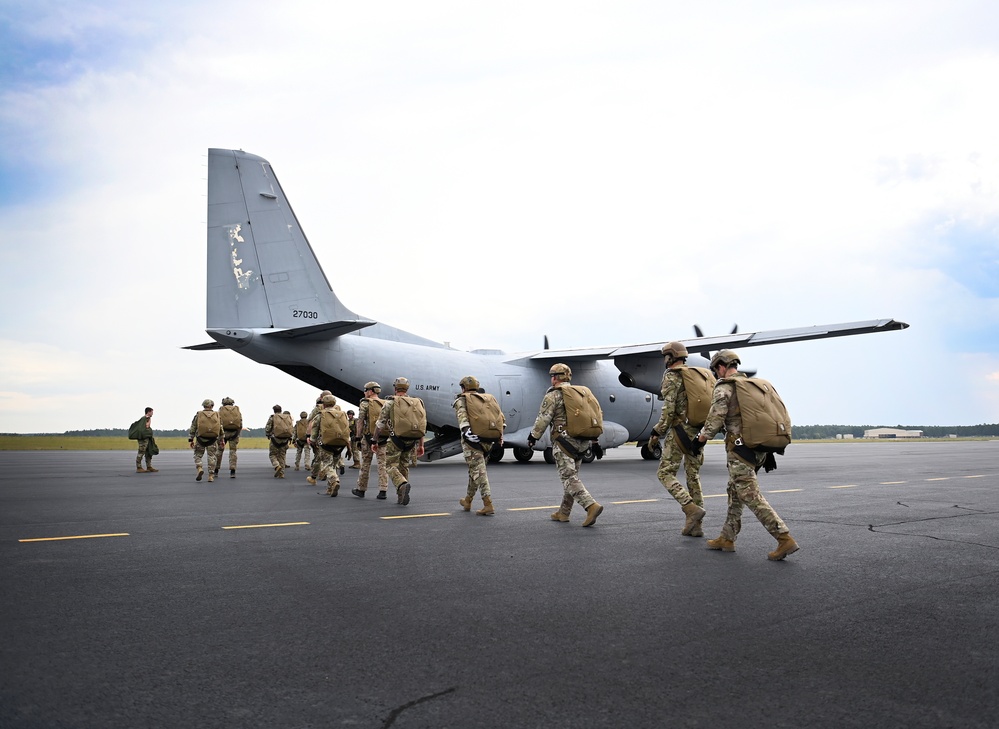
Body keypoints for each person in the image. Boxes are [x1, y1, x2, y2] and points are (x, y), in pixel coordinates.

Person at [694, 350, 800, 561]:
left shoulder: (725, 387)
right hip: (758, 449)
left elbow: (716, 418)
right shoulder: (753, 385)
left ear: (722, 366)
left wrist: (700, 439)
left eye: (716, 369)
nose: (716, 373)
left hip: (740, 449)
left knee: (749, 494)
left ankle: (783, 537)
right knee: (735, 491)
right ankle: (727, 537)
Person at [528, 363, 603, 527]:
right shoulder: (582, 393)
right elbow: (592, 416)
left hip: (563, 442)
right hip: (582, 442)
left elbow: (543, 418)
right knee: (572, 477)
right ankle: (564, 512)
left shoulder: (553, 395)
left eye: (552, 376)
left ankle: (590, 505)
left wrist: (533, 436)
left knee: (568, 478)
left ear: (555, 377)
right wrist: (595, 441)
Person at [647, 342, 707, 537]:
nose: (665, 360)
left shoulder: (672, 376)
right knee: (693, 477)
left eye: (666, 356)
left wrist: (657, 431)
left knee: (665, 473)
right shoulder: (694, 375)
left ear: (671, 357)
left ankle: (690, 508)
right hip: (697, 432)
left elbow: (668, 410)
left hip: (679, 432)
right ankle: (696, 526)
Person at [453, 376, 504, 516]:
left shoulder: (462, 400)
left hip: (472, 442)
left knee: (480, 473)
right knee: (474, 472)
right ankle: (468, 500)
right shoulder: (486, 399)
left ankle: (488, 504)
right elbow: (501, 418)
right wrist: (500, 434)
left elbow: (462, 417)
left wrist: (465, 431)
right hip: (488, 441)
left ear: (463, 388)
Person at [372, 377, 425, 505]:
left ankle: (402, 484)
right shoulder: (417, 402)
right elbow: (422, 424)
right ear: (407, 389)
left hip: (395, 439)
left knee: (390, 465)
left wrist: (374, 440)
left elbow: (380, 424)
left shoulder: (390, 402)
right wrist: (421, 445)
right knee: (404, 466)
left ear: (395, 388)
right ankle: (400, 495)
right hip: (411, 441)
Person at [351, 382, 389, 499]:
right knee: (382, 464)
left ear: (371, 391)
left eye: (365, 389)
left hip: (368, 437)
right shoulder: (386, 403)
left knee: (365, 464)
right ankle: (383, 491)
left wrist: (358, 437)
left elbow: (360, 421)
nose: (364, 392)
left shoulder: (365, 403)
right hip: (383, 438)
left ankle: (361, 489)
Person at [309, 394, 348, 496]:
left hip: (326, 445)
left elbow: (315, 431)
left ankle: (335, 481)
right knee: (333, 466)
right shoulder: (342, 414)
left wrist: (312, 440)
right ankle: (330, 489)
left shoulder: (320, 415)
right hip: (340, 445)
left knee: (327, 465)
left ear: (324, 404)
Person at [188, 399, 223, 482]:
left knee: (198, 455)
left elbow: (193, 427)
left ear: (203, 405)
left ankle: (199, 468)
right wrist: (222, 439)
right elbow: (220, 428)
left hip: (200, 439)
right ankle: (211, 476)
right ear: (212, 406)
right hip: (212, 440)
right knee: (212, 457)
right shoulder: (217, 415)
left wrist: (191, 438)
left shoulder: (199, 414)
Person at [215, 396, 242, 478]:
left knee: (219, 451)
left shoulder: (221, 410)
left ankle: (216, 470)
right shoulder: (236, 410)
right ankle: (232, 471)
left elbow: (217, 422)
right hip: (234, 433)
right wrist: (237, 433)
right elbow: (240, 423)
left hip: (223, 433)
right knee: (233, 452)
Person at [264, 404, 294, 478]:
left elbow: (268, 428)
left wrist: (268, 434)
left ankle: (276, 465)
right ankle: (282, 473)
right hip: (285, 440)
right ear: (281, 410)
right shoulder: (287, 417)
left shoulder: (272, 417)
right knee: (282, 456)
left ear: (274, 410)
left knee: (272, 454)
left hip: (275, 439)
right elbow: (291, 428)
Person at [134, 407, 158, 473]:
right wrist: (149, 420)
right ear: (149, 412)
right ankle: (139, 467)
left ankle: (149, 466)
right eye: (152, 412)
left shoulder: (144, 418)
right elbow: (147, 426)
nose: (152, 413)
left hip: (147, 438)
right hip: (143, 439)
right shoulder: (146, 418)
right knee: (141, 452)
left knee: (148, 452)